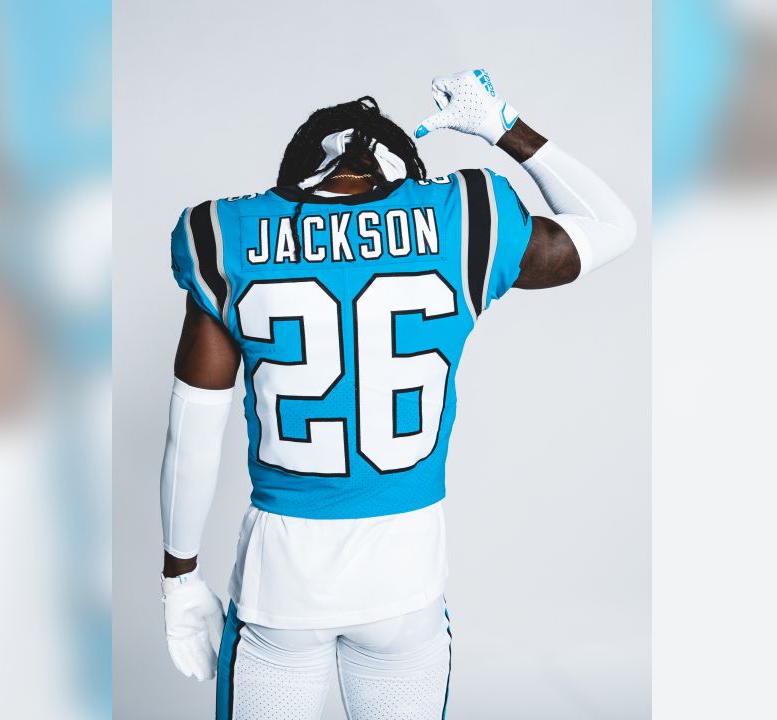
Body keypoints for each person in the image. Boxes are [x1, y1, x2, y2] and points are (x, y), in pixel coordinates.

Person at [159, 69, 636, 719]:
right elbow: (613, 225)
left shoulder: (228, 234)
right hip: (407, 583)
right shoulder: (462, 221)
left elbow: (193, 427)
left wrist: (180, 576)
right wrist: (502, 127)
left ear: (298, 170)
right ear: (400, 166)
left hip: (283, 585)